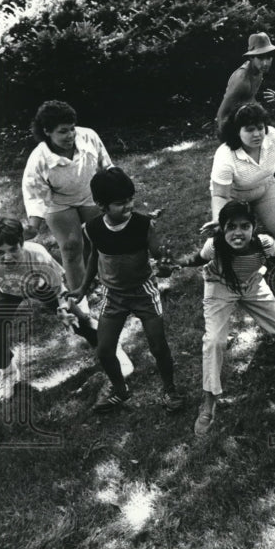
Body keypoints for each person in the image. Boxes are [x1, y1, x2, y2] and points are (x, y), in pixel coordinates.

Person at [183, 200, 275, 436]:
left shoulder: (264, 244)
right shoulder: (214, 246)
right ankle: (209, 401)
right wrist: (176, 264)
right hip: (219, 289)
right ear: (222, 229)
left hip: (252, 285)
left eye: (244, 226)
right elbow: (195, 260)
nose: (238, 233)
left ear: (254, 227)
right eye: (231, 227)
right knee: (215, 342)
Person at [69, 168, 184, 414]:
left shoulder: (143, 225)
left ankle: (170, 388)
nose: (129, 205)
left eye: (130, 199)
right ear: (101, 205)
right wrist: (82, 288)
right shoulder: (91, 228)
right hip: (113, 295)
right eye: (120, 203)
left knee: (158, 345)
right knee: (104, 349)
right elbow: (93, 258)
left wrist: (165, 266)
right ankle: (120, 390)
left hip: (144, 291)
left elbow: (160, 257)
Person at [0, 217, 109, 401]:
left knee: (78, 319)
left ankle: (106, 347)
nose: (8, 257)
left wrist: (63, 309)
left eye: (13, 249)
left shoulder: (37, 254)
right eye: (0, 253)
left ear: (22, 243)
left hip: (42, 287)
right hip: (8, 292)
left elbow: (59, 290)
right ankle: (9, 373)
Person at [21, 100, 112, 297]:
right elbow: (36, 196)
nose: (70, 135)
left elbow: (106, 165)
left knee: (97, 240)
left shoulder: (89, 136)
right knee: (71, 247)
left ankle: (100, 280)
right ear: (47, 131)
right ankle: (80, 293)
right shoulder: (38, 159)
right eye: (63, 131)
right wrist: (33, 226)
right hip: (59, 201)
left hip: (90, 193)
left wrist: (116, 192)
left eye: (72, 129)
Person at [209, 103, 275, 257]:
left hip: (265, 187)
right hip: (234, 196)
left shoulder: (273, 137)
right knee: (235, 238)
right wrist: (218, 219)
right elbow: (220, 195)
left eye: (260, 128)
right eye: (249, 129)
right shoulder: (225, 155)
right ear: (236, 132)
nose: (257, 134)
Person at [215, 32, 275, 130]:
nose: (266, 63)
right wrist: (226, 139)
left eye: (269, 57)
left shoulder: (258, 71)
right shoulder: (241, 81)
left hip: (246, 116)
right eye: (261, 58)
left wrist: (262, 116)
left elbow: (249, 97)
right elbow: (221, 114)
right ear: (251, 58)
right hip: (232, 123)